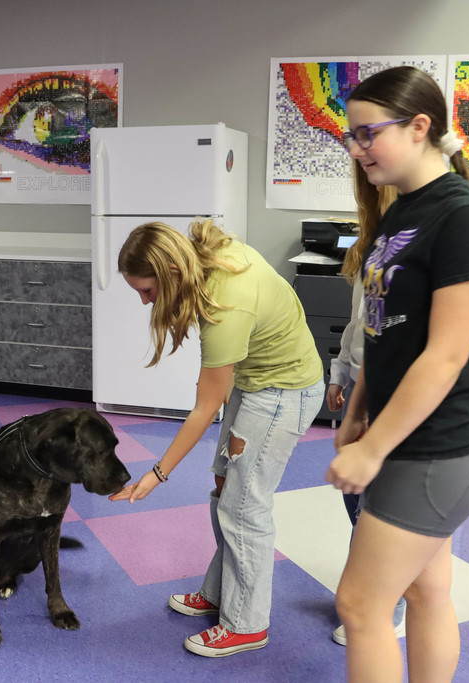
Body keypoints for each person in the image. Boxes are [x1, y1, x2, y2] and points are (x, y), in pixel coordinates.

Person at [325, 65, 469, 683]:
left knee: (359, 604)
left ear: (420, 126)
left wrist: (373, 449)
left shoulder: (462, 216)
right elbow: (386, 331)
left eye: (366, 133)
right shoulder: (404, 209)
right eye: (351, 135)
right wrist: (355, 414)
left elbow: (446, 355)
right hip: (404, 432)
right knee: (425, 593)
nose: (356, 148)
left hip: (439, 445)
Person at [109, 219, 325, 657]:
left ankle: (246, 625)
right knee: (226, 490)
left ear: (171, 270)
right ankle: (221, 592)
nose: (146, 302)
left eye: (147, 291)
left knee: (246, 508)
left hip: (284, 392)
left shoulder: (226, 305)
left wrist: (156, 474)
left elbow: (203, 408)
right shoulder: (206, 259)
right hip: (255, 381)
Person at [326, 185, 407, 647]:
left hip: (393, 391)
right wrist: (340, 374)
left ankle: (386, 600)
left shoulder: (414, 248)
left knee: (381, 502)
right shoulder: (368, 246)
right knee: (355, 498)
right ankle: (368, 586)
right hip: (359, 381)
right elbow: (358, 321)